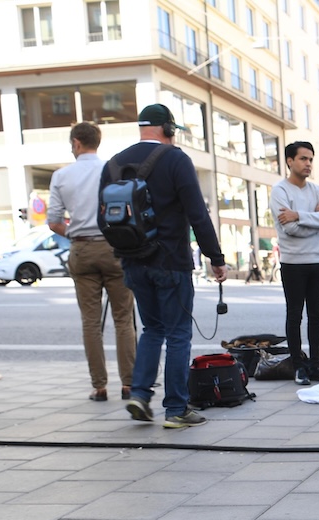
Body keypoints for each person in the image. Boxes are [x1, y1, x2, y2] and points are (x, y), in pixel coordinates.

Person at [102, 103, 227, 428]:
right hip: (171, 261)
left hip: (133, 262)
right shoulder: (175, 159)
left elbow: (101, 217)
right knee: (178, 334)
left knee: (152, 329)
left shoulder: (113, 164)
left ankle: (140, 395)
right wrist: (216, 258)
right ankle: (176, 409)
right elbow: (197, 214)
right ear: (168, 130)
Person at [47, 121, 136, 403]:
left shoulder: (61, 175)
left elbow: (53, 221)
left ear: (75, 143)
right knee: (124, 319)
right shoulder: (112, 169)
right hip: (115, 247)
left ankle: (99, 386)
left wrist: (74, 231)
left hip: (82, 250)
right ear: (97, 141)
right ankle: (129, 384)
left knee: (90, 321)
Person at [272, 141, 319, 385]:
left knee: (316, 315)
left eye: (310, 159)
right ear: (290, 161)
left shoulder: (317, 191)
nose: (308, 163)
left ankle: (315, 364)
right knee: (294, 315)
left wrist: (299, 215)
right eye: (303, 159)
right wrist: (314, 221)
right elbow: (289, 230)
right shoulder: (280, 191)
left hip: (318, 261)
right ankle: (298, 365)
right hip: (293, 263)